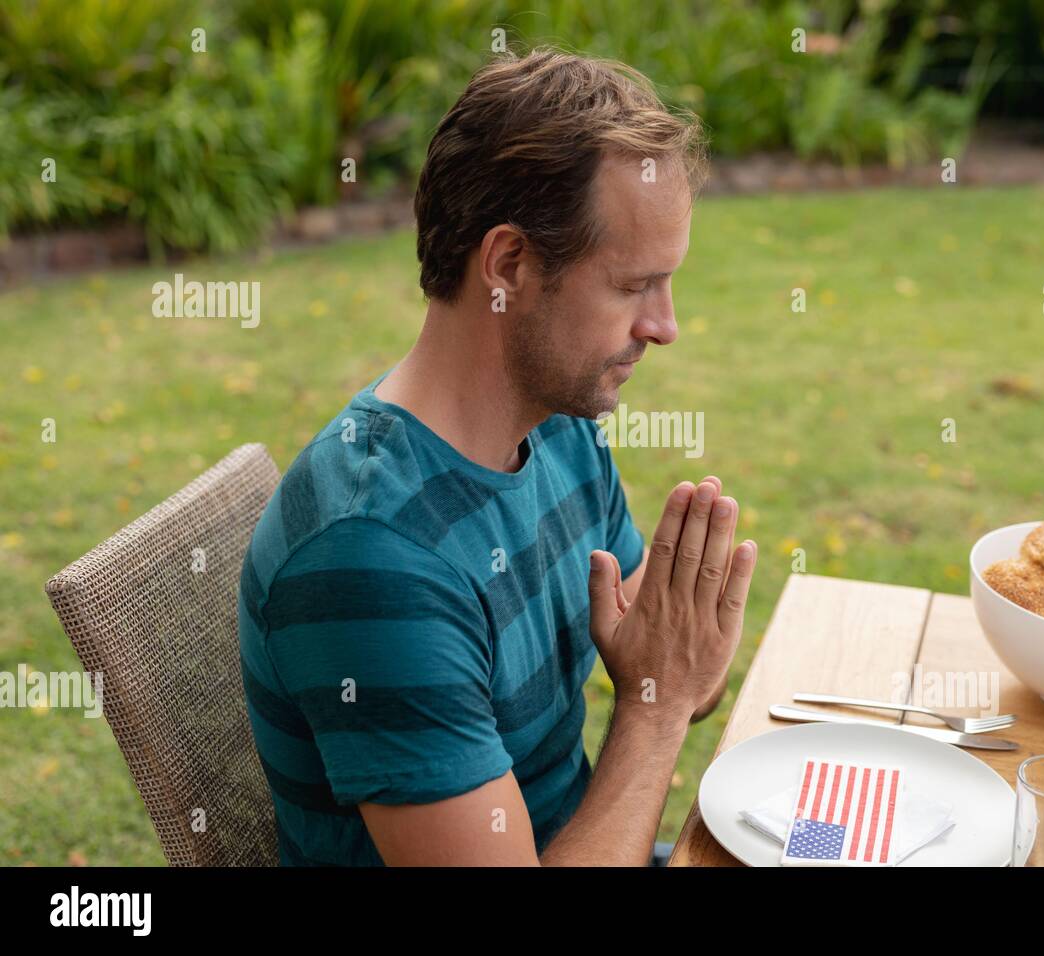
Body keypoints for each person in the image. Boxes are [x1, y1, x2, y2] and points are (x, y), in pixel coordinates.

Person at [237, 48, 757, 866]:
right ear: (509, 266)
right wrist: (655, 710)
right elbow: (666, 697)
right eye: (632, 287)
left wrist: (676, 669)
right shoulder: (372, 556)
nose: (665, 326)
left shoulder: (555, 423)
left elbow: (671, 666)